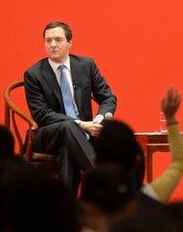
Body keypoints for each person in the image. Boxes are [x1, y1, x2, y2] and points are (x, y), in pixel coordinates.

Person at [24, 21, 117, 192]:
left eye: (58, 40)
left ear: (70, 43)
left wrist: (99, 119)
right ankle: (104, 182)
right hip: (48, 135)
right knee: (68, 126)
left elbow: (108, 98)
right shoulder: (34, 74)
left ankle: (67, 209)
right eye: (48, 40)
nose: (52, 45)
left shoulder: (86, 65)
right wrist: (81, 124)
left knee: (67, 151)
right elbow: (41, 114)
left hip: (83, 135)